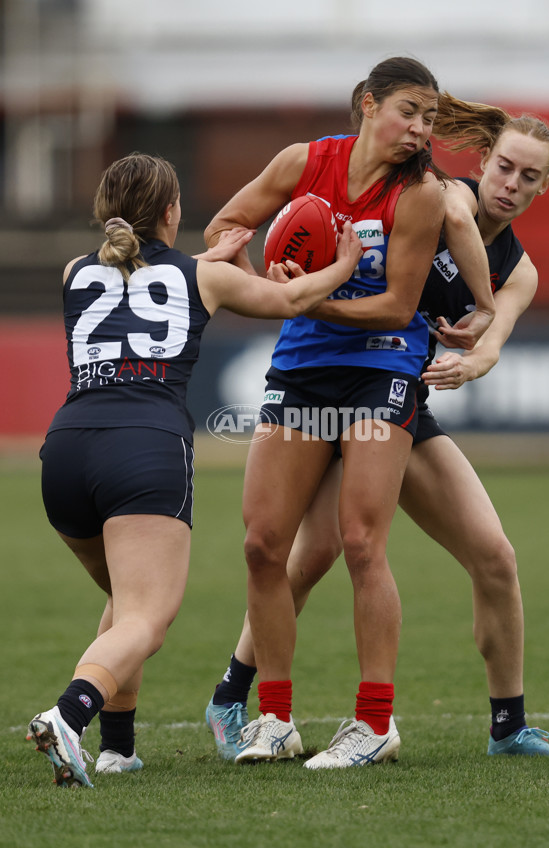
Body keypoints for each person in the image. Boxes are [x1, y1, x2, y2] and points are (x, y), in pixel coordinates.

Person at [205, 95, 549, 763]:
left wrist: (474, 358)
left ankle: (509, 727)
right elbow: (458, 221)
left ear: (544, 185)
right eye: (503, 167)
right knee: (301, 551)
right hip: (353, 378)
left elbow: (494, 344)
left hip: (401, 394)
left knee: (494, 557)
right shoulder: (440, 197)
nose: (510, 185)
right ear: (484, 162)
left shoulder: (519, 269)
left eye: (529, 177)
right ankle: (236, 692)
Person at [26, 152, 362, 788]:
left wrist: (203, 263)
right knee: (146, 619)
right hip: (143, 450)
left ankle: (118, 749)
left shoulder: (74, 271)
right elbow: (289, 297)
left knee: (127, 606)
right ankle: (69, 716)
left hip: (66, 451)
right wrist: (341, 265)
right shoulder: (204, 279)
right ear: (172, 212)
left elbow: (140, 279)